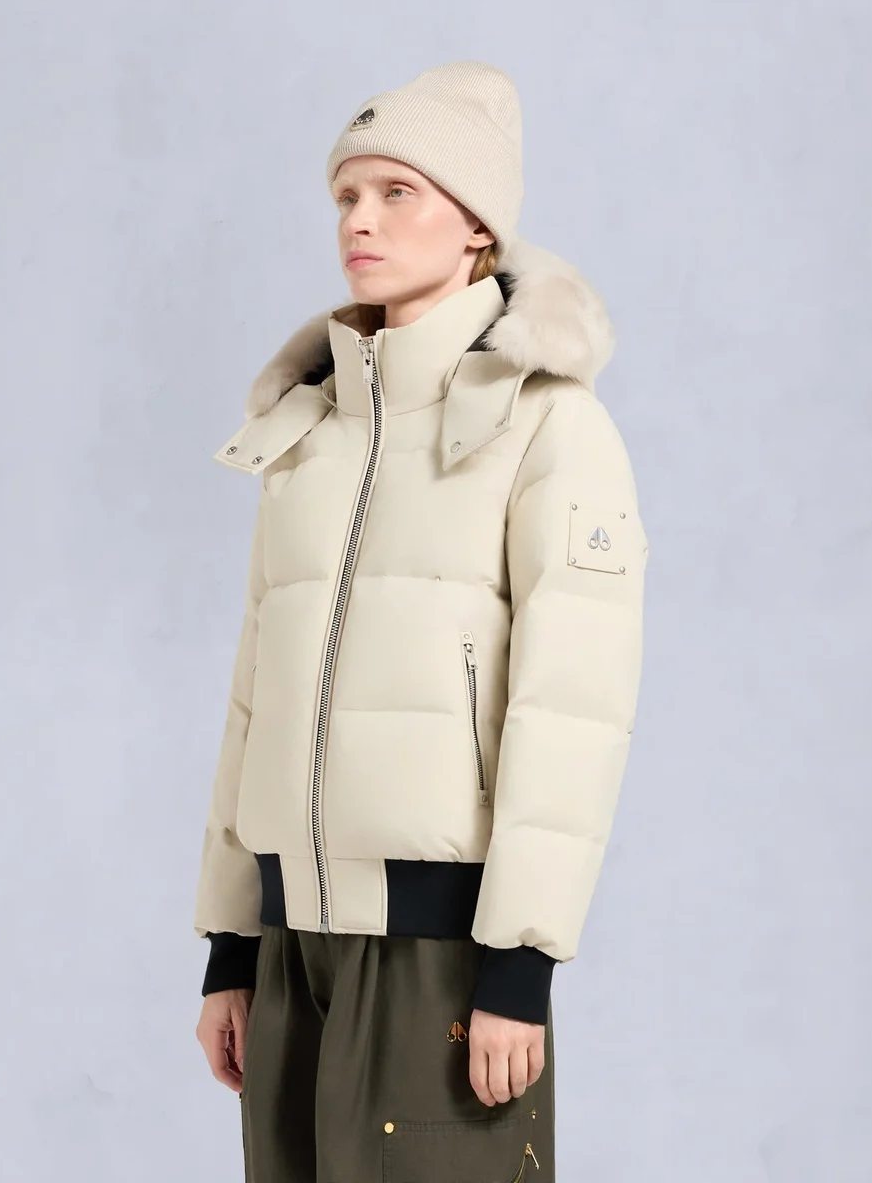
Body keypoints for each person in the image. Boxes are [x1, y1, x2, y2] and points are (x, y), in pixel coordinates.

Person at [193, 60, 649, 1182]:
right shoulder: (306, 434)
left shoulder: (548, 428)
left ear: (477, 225)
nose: (359, 220)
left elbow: (572, 710)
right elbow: (254, 701)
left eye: (398, 192)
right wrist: (231, 945)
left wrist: (519, 965)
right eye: (346, 196)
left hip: (441, 951)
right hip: (291, 948)